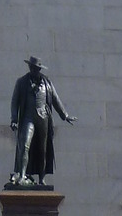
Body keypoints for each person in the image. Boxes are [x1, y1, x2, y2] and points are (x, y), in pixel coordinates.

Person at [9, 56, 74, 186]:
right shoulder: (21, 82)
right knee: (25, 145)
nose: (33, 70)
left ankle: (41, 178)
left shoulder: (47, 83)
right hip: (28, 118)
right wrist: (14, 119)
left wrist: (65, 115)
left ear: (39, 69)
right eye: (31, 67)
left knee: (42, 149)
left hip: (43, 118)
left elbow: (55, 99)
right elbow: (14, 102)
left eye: (36, 68)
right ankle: (22, 175)